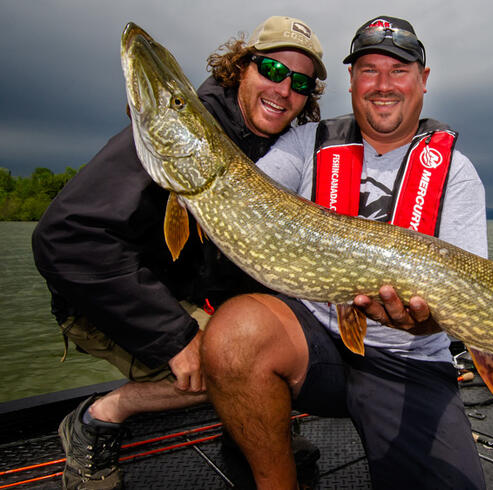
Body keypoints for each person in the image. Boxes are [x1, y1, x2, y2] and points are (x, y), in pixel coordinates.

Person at [31, 15, 326, 490]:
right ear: (241, 68)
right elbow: (66, 238)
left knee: (288, 344)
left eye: (299, 83)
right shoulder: (181, 131)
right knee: (238, 363)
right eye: (271, 70)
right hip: (109, 296)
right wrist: (173, 336)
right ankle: (101, 416)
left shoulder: (274, 147)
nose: (283, 89)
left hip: (192, 291)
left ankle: (246, 429)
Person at [202, 15, 488, 489]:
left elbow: (463, 304)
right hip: (314, 343)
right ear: (352, 81)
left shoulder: (455, 172)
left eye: (398, 70)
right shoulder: (305, 143)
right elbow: (244, 197)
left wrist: (426, 319)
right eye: (368, 70)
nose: (382, 84)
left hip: (409, 361)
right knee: (234, 334)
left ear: (424, 80)